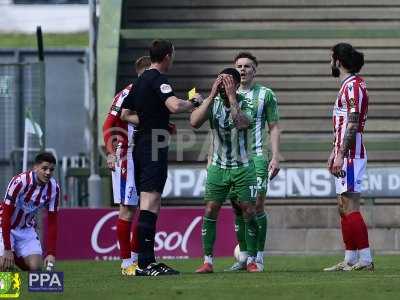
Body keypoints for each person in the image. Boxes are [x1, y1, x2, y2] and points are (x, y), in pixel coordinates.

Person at [121, 39, 202, 276]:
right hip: (154, 144)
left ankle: (148, 261)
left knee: (150, 200)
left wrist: (150, 122)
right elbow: (175, 106)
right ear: (167, 56)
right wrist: (193, 102)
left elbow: (125, 114)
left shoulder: (139, 81)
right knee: (150, 201)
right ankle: (146, 263)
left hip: (143, 142)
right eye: (173, 55)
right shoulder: (158, 79)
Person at [191, 68, 260, 273]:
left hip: (242, 167)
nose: (223, 86)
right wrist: (211, 96)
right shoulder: (212, 103)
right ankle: (208, 261)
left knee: (248, 210)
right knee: (211, 209)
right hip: (218, 168)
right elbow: (194, 122)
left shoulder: (245, 101)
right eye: (220, 82)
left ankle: (252, 260)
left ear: (236, 84)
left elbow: (242, 124)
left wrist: (231, 97)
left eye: (227, 83)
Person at [226, 52, 280, 272]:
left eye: (247, 66)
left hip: (258, 156)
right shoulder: (226, 96)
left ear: (255, 70)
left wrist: (275, 156)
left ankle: (258, 257)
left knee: (257, 205)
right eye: (239, 66)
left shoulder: (266, 94)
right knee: (238, 208)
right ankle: (244, 257)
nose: (243, 69)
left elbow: (274, 126)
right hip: (232, 160)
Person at [324, 43, 373, 271]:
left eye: (331, 58)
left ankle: (365, 259)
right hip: (345, 152)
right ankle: (351, 258)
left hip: (352, 154)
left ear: (338, 60)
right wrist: (334, 151)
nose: (329, 62)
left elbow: (353, 123)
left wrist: (342, 153)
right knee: (343, 206)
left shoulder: (353, 86)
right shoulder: (348, 86)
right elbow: (343, 124)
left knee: (350, 205)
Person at [102, 56, 151, 276]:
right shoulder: (127, 93)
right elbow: (108, 124)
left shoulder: (153, 94)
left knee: (145, 208)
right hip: (127, 157)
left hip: (146, 156)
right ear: (142, 72)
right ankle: (125, 263)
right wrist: (111, 153)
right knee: (128, 208)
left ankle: (136, 259)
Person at [0, 152, 59, 271]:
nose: (48, 173)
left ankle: (14, 259)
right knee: (4, 263)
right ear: (35, 167)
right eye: (44, 168)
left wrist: (51, 253)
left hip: (25, 229)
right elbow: (6, 215)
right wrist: (7, 248)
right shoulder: (19, 182)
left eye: (51, 170)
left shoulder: (54, 188)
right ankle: (7, 284)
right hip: (5, 226)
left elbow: (53, 222)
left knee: (36, 267)